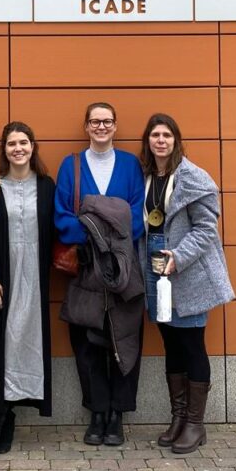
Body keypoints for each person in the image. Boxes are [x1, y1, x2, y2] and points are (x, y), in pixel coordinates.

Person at [138, 113, 234, 454]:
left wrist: (178, 257)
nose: (161, 141)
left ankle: (195, 424)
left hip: (187, 270)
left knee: (192, 343)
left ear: (176, 140)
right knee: (171, 343)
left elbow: (206, 230)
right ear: (148, 141)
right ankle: (178, 418)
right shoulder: (146, 175)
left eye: (167, 135)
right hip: (154, 265)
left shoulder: (194, 177)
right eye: (155, 135)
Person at [54, 101, 145, 446]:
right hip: (86, 270)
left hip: (124, 269)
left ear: (115, 126)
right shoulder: (71, 165)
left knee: (125, 338)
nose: (101, 126)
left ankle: (117, 415)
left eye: (107, 121)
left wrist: (105, 236)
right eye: (95, 121)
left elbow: (136, 213)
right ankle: (97, 411)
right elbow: (63, 214)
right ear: (86, 126)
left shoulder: (130, 165)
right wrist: (97, 238)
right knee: (87, 343)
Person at [0, 121, 56, 463]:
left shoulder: (46, 186)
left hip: (34, 278)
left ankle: (8, 415)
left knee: (23, 344)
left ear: (33, 146)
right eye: (11, 144)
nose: (18, 148)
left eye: (23, 142)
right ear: (4, 149)